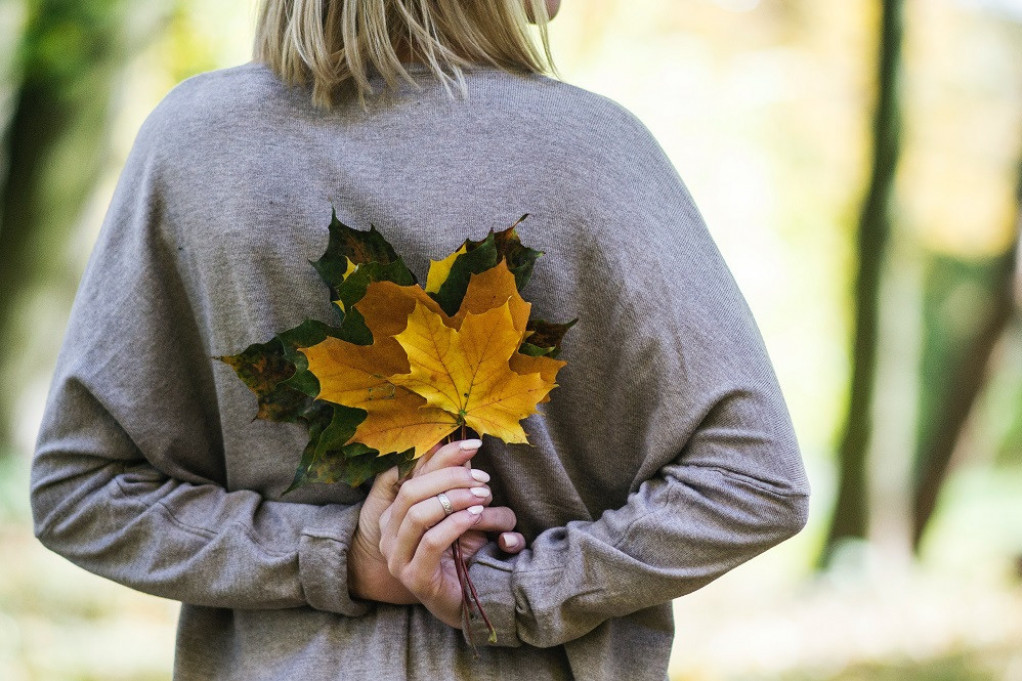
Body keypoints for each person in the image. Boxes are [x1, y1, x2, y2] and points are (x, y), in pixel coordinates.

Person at [30, 1, 811, 679]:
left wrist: (327, 555)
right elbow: (756, 478)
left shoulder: (194, 146)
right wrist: (508, 590)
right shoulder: (594, 153)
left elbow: (82, 488)